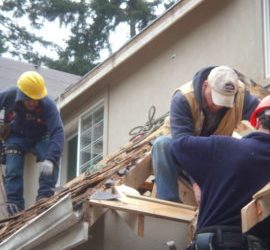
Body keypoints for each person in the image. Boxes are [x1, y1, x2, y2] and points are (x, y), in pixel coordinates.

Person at [170, 95, 270, 250]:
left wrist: (195, 182)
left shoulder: (221, 147)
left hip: (210, 243)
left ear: (256, 122)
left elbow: (178, 145)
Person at [152, 65, 259, 203]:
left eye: (224, 101)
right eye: (213, 97)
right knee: (162, 145)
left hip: (212, 153)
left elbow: (262, 114)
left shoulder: (240, 95)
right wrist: (197, 181)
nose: (217, 105)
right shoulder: (183, 98)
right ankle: (169, 204)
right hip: (181, 152)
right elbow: (183, 148)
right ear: (205, 85)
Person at [0, 71, 64, 214]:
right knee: (13, 168)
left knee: (50, 154)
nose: (33, 103)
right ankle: (15, 206)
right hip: (16, 136)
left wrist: (51, 159)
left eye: (37, 99)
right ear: (21, 95)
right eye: (30, 99)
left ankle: (44, 196)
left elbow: (58, 133)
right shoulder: (9, 95)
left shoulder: (48, 104)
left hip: (41, 136)